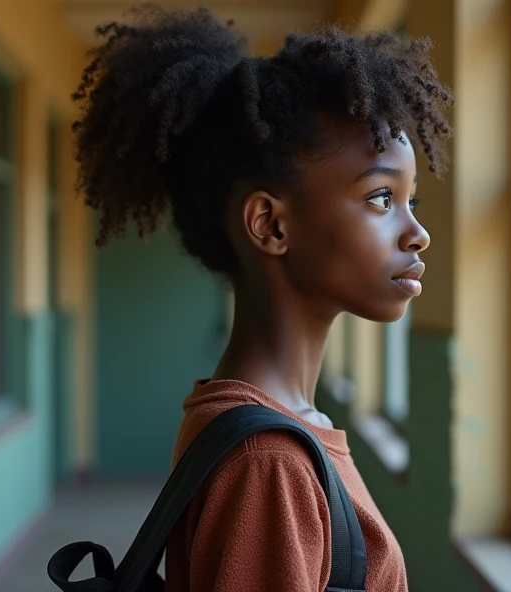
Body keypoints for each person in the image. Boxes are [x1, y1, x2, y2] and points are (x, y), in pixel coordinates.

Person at [71, 6, 452, 591]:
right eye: (380, 198)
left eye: (411, 202)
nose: (417, 233)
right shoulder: (268, 462)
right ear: (270, 225)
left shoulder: (279, 431)